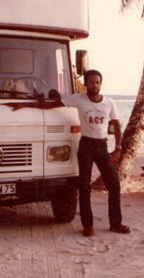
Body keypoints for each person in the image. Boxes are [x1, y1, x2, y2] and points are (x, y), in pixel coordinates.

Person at [4, 70, 131, 236]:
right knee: (84, 187)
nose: (95, 85)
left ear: (101, 83)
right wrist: (24, 105)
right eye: (91, 82)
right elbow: (52, 104)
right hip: (86, 145)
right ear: (86, 83)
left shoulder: (109, 102)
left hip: (102, 146)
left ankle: (116, 223)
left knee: (114, 184)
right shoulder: (78, 99)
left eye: (98, 82)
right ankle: (88, 225)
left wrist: (118, 149)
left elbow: (117, 125)